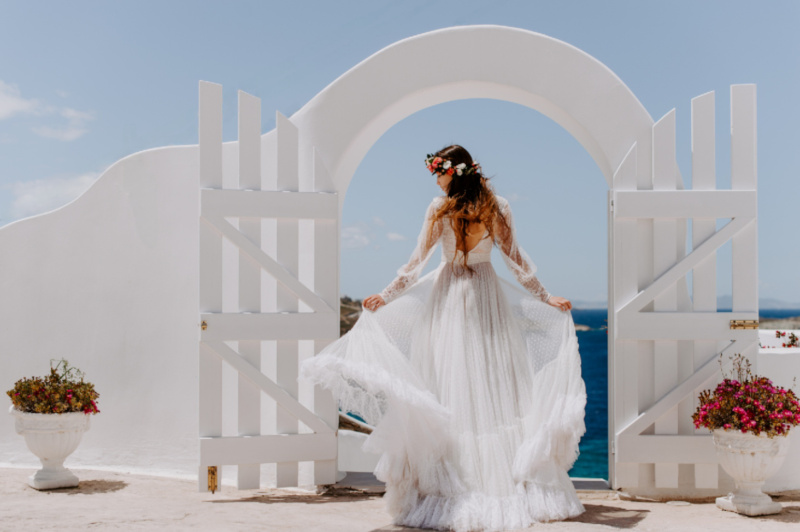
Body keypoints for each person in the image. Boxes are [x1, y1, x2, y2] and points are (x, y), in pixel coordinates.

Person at [300, 145, 587, 532]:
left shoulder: (443, 207)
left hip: (452, 296)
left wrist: (388, 294)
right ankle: (494, 481)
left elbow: (417, 261)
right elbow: (513, 259)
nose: (435, 179)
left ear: (452, 171)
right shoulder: (493, 205)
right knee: (490, 385)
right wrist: (543, 295)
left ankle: (458, 486)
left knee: (455, 384)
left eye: (437, 171)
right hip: (483, 295)